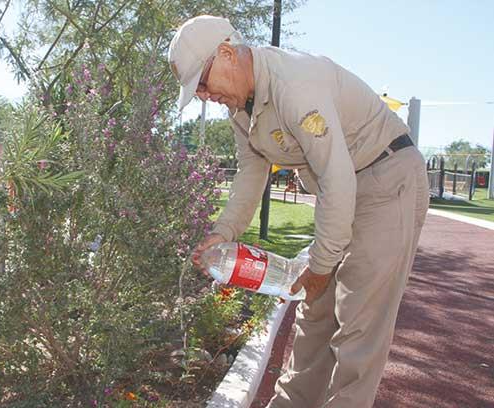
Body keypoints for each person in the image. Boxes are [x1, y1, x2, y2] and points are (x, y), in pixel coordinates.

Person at [168, 15, 429, 408]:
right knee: (313, 317)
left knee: (357, 325)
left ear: (226, 54)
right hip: (339, 190)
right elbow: (250, 174)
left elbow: (338, 178)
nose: (204, 95)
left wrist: (321, 265)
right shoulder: (241, 110)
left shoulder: (295, 85)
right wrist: (224, 232)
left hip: (386, 180)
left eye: (202, 82)